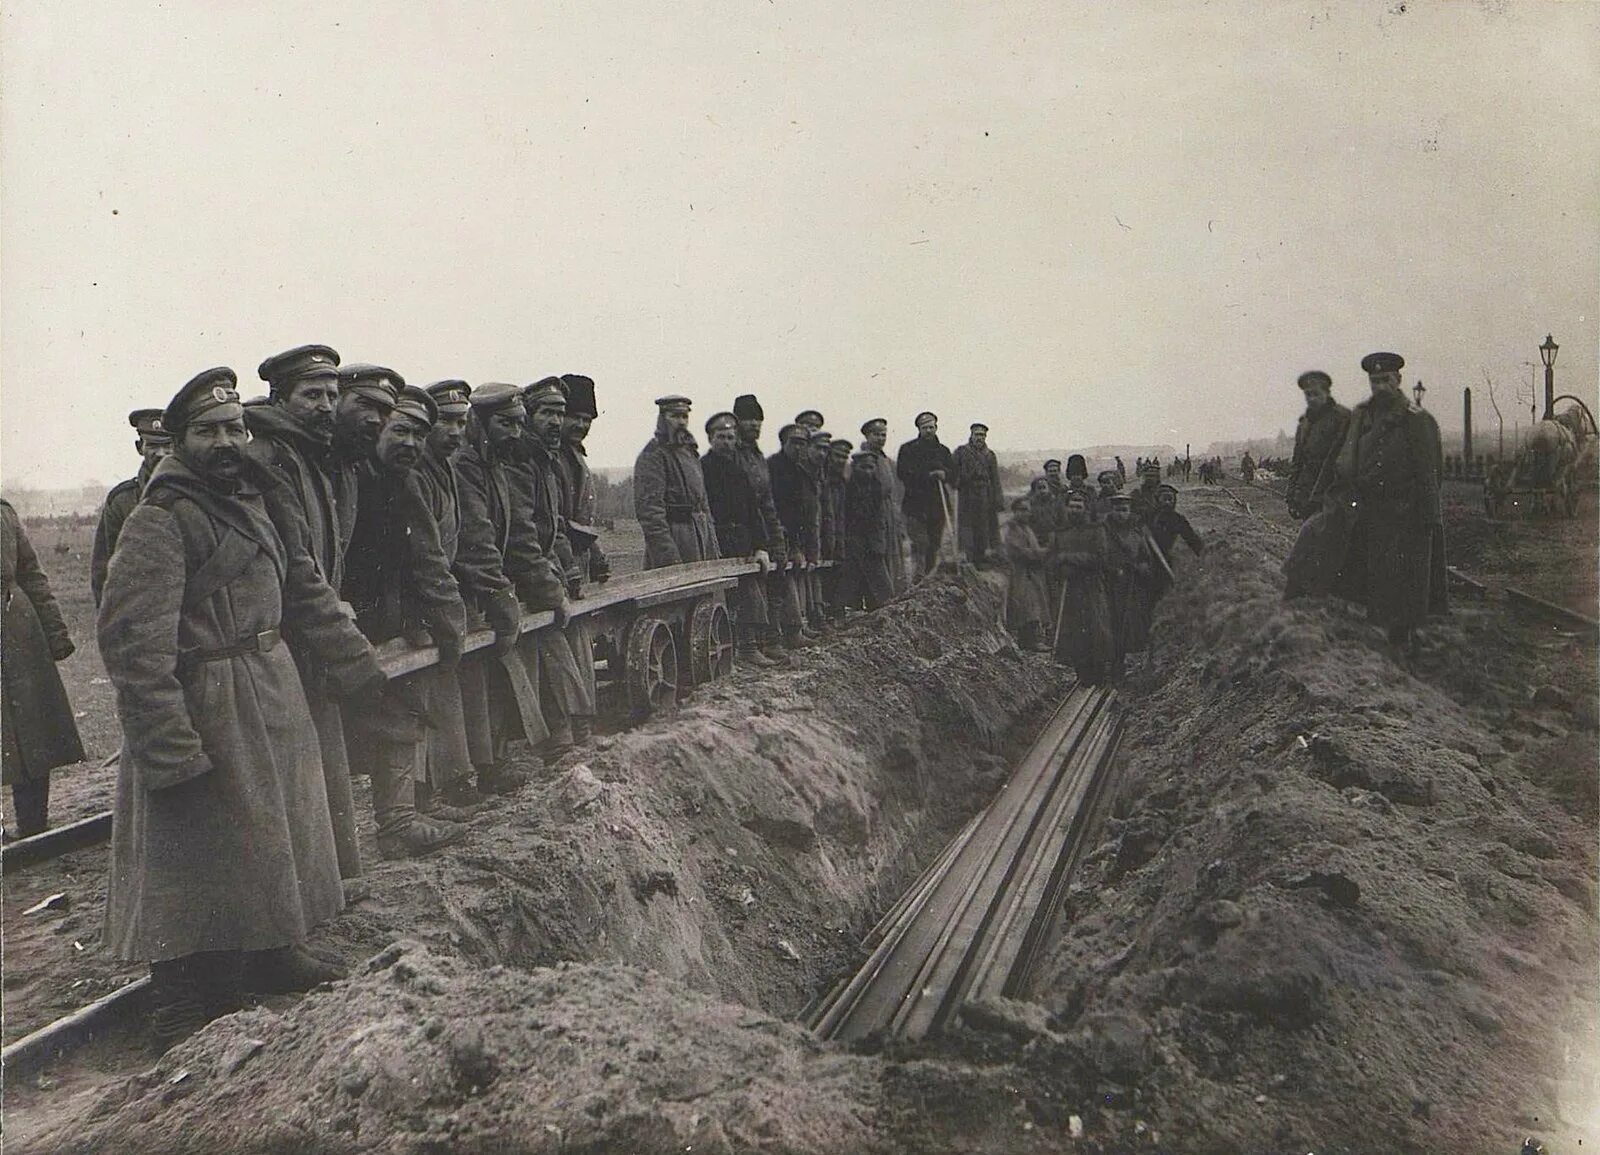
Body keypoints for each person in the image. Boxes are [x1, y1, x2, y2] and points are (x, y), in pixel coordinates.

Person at [97, 367, 403, 1051]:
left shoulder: (261, 499)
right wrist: (167, 744)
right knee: (192, 847)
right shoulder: (159, 517)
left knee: (277, 827)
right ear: (180, 441)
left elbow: (305, 587)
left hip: (269, 684)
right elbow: (131, 642)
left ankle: (270, 949)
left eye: (235, 426)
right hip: (204, 698)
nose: (227, 441)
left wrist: (360, 666)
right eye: (208, 431)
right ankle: (178, 995)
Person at [246, 344, 367, 880]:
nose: (325, 405)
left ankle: (336, 879)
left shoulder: (308, 458)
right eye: (311, 394)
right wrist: (343, 641)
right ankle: (319, 885)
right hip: (288, 641)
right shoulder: (270, 462)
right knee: (294, 772)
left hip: (313, 636)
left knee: (323, 759)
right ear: (280, 398)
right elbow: (297, 567)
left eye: (332, 395)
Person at [339, 381, 470, 857]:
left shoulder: (402, 481)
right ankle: (384, 826)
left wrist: (437, 617)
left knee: (400, 713)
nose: (411, 443)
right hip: (342, 622)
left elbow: (423, 557)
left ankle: (400, 819)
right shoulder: (350, 478)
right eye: (402, 430)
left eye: (420, 434)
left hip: (385, 620)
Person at [452, 383, 539, 794]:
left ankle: (492, 762)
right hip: (462, 588)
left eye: (520, 423)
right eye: (506, 424)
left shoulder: (495, 466)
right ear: (480, 423)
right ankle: (465, 776)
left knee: (489, 676)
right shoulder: (465, 466)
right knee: (466, 685)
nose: (515, 433)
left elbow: (516, 530)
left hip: (482, 588)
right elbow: (476, 538)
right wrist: (499, 594)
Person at [1329, 352, 1447, 650]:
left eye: (1385, 380)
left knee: (1406, 582)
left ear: (1398, 380)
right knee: (1373, 577)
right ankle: (1381, 639)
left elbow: (1430, 472)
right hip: (1371, 510)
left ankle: (1402, 640)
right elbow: (1347, 458)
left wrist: (1430, 518)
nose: (1379, 387)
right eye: (1374, 381)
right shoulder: (1362, 417)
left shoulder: (1417, 420)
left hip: (1406, 513)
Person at [412, 380, 485, 812]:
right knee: (419, 699)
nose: (455, 431)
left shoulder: (444, 467)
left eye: (462, 421)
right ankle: (420, 796)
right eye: (446, 421)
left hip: (440, 594)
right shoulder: (418, 472)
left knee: (443, 692)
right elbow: (423, 550)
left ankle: (452, 781)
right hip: (421, 602)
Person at [509, 378, 590, 756]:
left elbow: (552, 526)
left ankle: (568, 727)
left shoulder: (545, 458)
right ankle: (555, 735)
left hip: (540, 571)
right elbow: (522, 535)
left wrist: (568, 569)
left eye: (561, 412)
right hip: (517, 575)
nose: (557, 421)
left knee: (556, 640)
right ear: (528, 415)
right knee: (541, 647)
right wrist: (549, 584)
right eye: (548, 413)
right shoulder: (520, 461)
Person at [2, 497, 85, 838]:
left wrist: (55, 633)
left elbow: (31, 573)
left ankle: (34, 825)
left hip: (17, 629)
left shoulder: (3, 512)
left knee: (31, 729)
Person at [701, 412, 777, 666]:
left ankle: (747, 648)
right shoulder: (703, 469)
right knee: (722, 598)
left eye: (730, 437)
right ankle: (729, 652)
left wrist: (761, 546)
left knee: (750, 594)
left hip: (742, 541)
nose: (726, 442)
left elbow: (753, 511)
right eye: (720, 437)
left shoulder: (739, 470)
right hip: (717, 540)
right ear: (711, 439)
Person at [732, 394, 800, 653]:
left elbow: (768, 500)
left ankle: (773, 637)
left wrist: (776, 536)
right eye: (749, 420)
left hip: (766, 524)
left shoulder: (757, 456)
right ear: (737, 422)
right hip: (745, 528)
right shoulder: (734, 454)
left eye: (758, 420)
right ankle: (751, 644)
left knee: (777, 579)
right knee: (751, 589)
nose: (754, 425)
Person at [91, 409, 175, 606]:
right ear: (140, 447)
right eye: (153, 445)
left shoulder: (198, 492)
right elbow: (104, 571)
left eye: (168, 445)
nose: (161, 453)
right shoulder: (122, 501)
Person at [635, 395, 718, 568]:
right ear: (662, 419)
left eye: (684, 416)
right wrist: (669, 559)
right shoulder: (653, 455)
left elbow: (704, 505)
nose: (681, 422)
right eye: (674, 416)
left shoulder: (691, 453)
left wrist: (713, 547)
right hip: (676, 542)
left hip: (701, 541)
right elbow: (651, 514)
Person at [1048, 492, 1114, 685]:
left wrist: (1070, 558)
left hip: (1092, 586)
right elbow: (1051, 559)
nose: (1075, 510)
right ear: (1066, 508)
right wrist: (1060, 566)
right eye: (1071, 506)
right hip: (1070, 589)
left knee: (1096, 628)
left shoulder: (1096, 530)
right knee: (1075, 630)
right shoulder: (1060, 532)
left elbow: (1101, 558)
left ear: (1086, 508)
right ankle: (1082, 674)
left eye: (1079, 506)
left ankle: (1100, 674)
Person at [768, 423, 823, 648]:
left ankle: (797, 626)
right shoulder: (773, 467)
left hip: (795, 536)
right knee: (781, 584)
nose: (799, 448)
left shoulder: (801, 472)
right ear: (784, 443)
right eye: (794, 443)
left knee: (794, 579)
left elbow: (804, 511)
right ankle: (788, 632)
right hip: (778, 534)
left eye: (803, 444)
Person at [553, 374, 611, 588]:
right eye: (574, 417)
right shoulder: (549, 459)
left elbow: (582, 522)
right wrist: (569, 566)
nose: (581, 425)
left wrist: (596, 554)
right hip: (557, 568)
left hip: (577, 565)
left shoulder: (576, 457)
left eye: (587, 420)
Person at [1285, 370, 1351, 521]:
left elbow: (1343, 460)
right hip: (1308, 495)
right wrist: (1291, 495)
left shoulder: (1342, 418)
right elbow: (1297, 462)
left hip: (1333, 494)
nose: (1311, 399)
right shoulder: (1304, 423)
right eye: (1308, 395)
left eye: (1315, 394)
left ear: (1327, 393)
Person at [897, 411, 955, 577]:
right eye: (925, 428)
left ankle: (929, 576)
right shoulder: (908, 449)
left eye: (931, 427)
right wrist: (927, 475)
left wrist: (945, 474)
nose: (928, 431)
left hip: (938, 505)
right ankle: (918, 578)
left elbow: (953, 474)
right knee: (920, 544)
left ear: (936, 427)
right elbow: (903, 473)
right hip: (916, 505)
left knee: (934, 544)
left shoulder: (943, 451)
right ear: (919, 429)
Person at [1103, 493, 1155, 677]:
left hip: (1130, 588)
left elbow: (1146, 560)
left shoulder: (1137, 533)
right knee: (1108, 623)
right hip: (1107, 587)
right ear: (1111, 510)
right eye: (1117, 510)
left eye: (1124, 510)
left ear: (1130, 511)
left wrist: (1140, 568)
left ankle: (1121, 663)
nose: (1121, 514)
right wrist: (1111, 568)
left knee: (1127, 624)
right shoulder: (1103, 532)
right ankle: (1106, 662)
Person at [836, 449, 895, 611]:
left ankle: (879, 608)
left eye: (871, 467)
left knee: (880, 585)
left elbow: (879, 519)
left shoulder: (876, 489)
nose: (868, 472)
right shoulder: (848, 488)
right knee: (851, 581)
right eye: (863, 468)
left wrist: (878, 543)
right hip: (853, 541)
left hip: (872, 543)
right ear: (855, 468)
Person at [860, 418, 909, 593]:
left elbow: (894, 492)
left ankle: (895, 593)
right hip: (874, 513)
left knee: (894, 554)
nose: (881, 438)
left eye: (883, 435)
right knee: (879, 555)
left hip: (889, 512)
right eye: (876, 434)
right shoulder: (865, 460)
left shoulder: (885, 460)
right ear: (867, 436)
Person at [951, 422, 1004, 566]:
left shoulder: (990, 455)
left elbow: (995, 478)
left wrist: (998, 499)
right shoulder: (961, 452)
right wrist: (960, 479)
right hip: (967, 495)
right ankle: (968, 557)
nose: (979, 438)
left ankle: (982, 558)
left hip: (985, 494)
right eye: (977, 434)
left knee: (984, 526)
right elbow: (953, 472)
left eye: (982, 435)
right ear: (971, 435)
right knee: (967, 526)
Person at [1002, 496, 1050, 652]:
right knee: (1026, 605)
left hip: (1030, 572)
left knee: (1033, 604)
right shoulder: (1012, 529)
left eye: (1028, 510)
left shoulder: (1026, 528)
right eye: (1022, 510)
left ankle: (1032, 639)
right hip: (1019, 572)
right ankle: (1028, 641)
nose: (1026, 513)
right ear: (1015, 511)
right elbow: (1019, 551)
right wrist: (1042, 553)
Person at [1148, 484, 1204, 602]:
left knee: (1163, 591)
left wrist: (1202, 553)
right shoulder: (1149, 516)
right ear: (1158, 500)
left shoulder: (1177, 519)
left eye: (1170, 499)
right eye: (1164, 499)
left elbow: (1191, 538)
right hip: (1147, 559)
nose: (1167, 503)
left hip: (1165, 559)